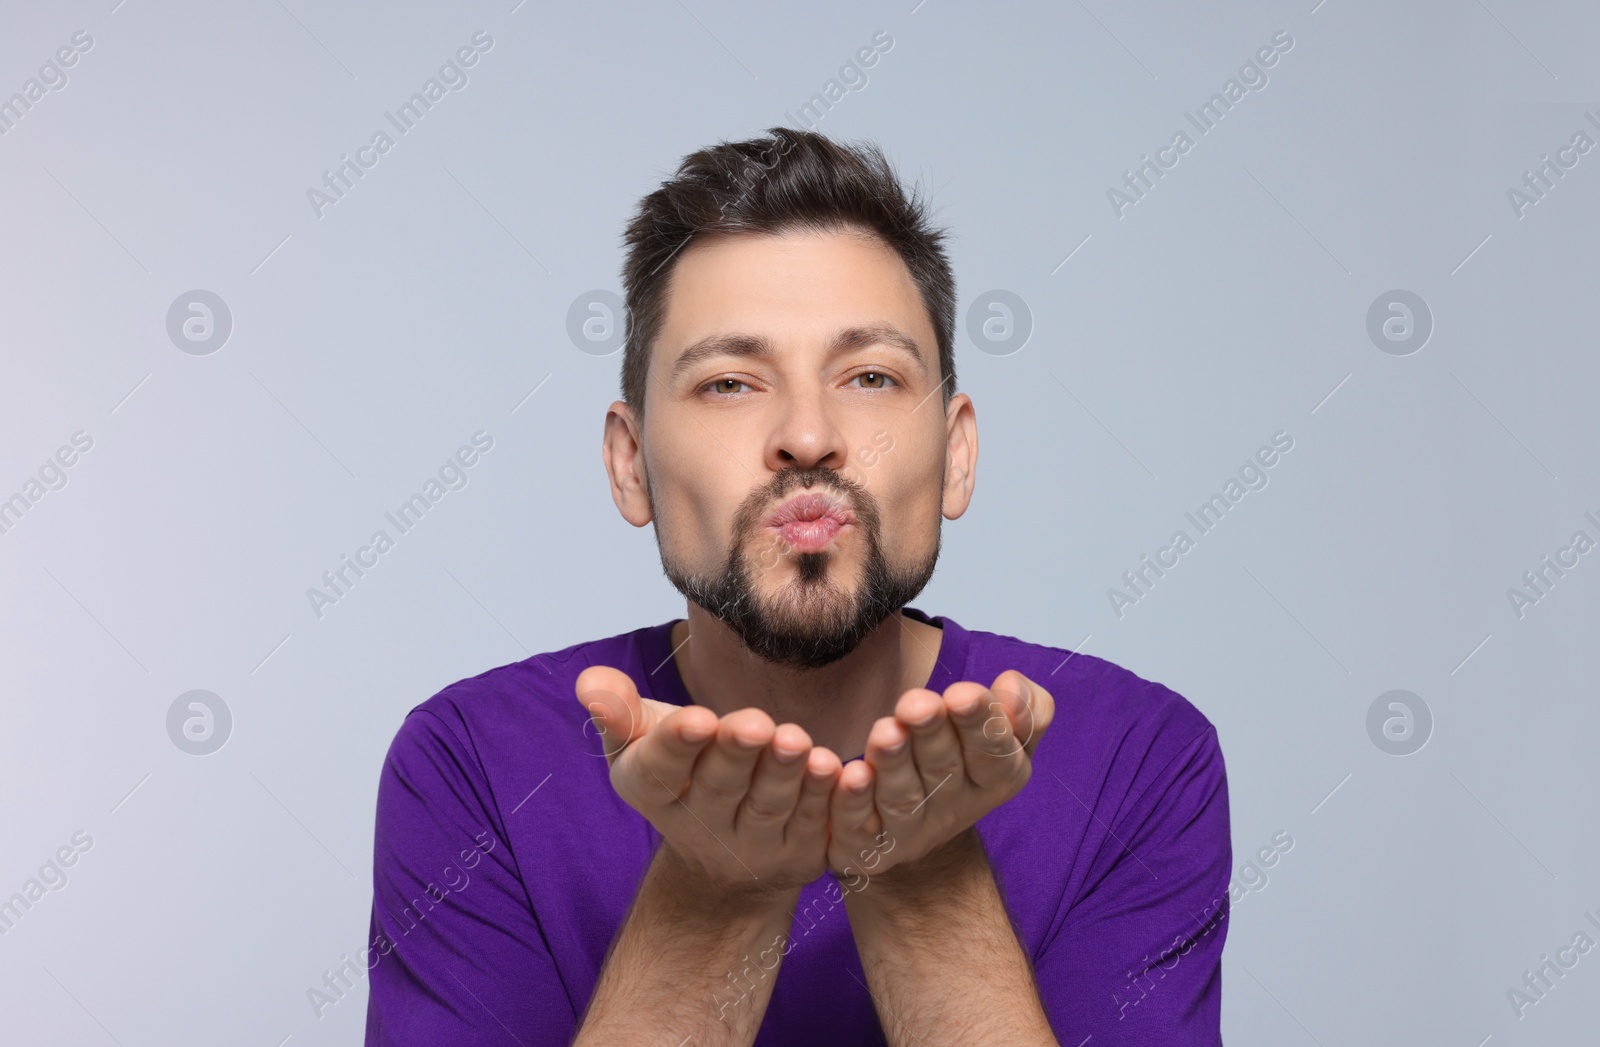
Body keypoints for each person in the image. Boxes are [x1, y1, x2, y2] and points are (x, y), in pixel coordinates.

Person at [364, 126, 1231, 1046]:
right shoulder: (472, 768)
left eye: (869, 375)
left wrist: (924, 880)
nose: (808, 434)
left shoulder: (1139, 759)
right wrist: (714, 892)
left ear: (956, 455)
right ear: (630, 465)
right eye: (732, 383)